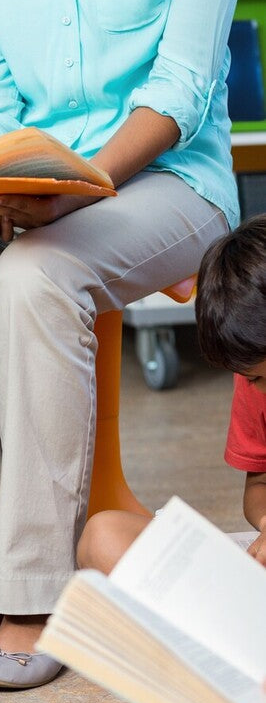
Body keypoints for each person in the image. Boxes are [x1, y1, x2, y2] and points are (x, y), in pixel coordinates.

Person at [0, 0, 239, 690]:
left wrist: (78, 193)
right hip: (24, 182)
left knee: (36, 275)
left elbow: (182, 87)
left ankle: (35, 592)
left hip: (169, 180)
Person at [78, 216, 266, 573]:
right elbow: (258, 483)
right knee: (104, 536)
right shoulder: (251, 382)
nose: (259, 389)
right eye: (254, 378)